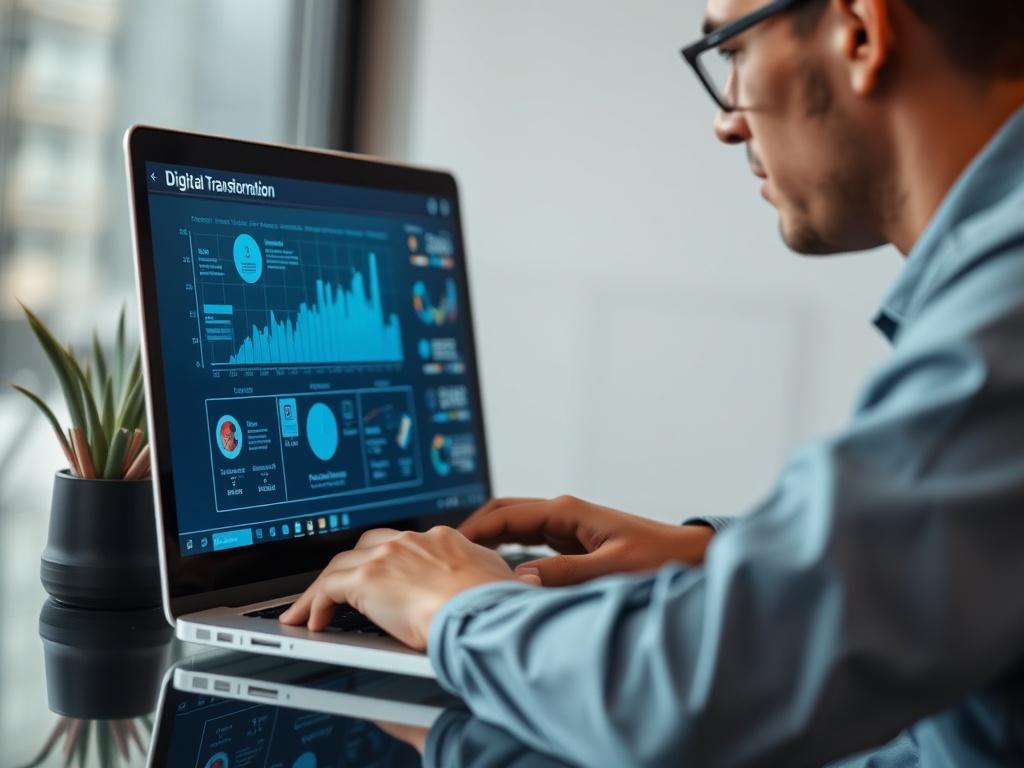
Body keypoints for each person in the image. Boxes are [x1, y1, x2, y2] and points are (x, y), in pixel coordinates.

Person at [282, 0, 1024, 764]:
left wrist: (459, 609)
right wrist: (720, 562)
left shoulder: (1006, 309)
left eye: (731, 50)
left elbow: (701, 691)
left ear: (860, 31)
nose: (726, 121)